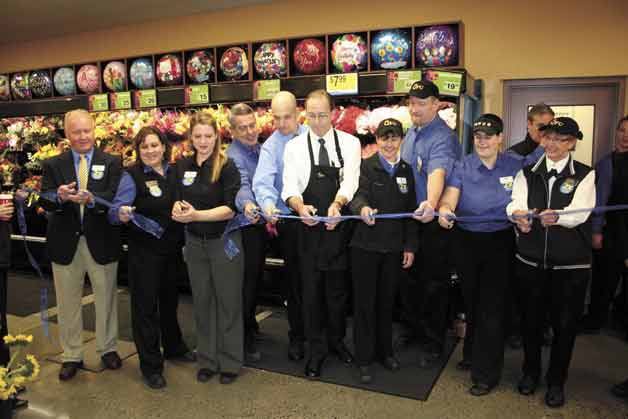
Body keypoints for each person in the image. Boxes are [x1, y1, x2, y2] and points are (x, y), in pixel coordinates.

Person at [437, 114, 544, 396]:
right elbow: (450, 197)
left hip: (500, 241)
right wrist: (446, 210)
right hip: (467, 241)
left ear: (500, 139)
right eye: (477, 136)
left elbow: (544, 168)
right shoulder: (463, 165)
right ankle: (472, 352)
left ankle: (485, 374)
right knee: (473, 301)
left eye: (488, 136)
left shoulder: (516, 164)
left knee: (491, 308)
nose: (482, 141)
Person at [507, 117, 595, 408]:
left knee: (564, 326)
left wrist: (557, 216)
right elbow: (514, 201)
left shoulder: (585, 174)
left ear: (572, 143)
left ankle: (557, 381)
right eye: (548, 138)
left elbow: (580, 212)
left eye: (560, 139)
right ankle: (530, 372)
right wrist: (518, 214)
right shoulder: (527, 172)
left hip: (570, 268)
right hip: (530, 262)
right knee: (530, 323)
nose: (552, 144)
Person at [282, 89, 361, 379]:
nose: (316, 122)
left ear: (333, 113)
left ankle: (337, 341)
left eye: (322, 115)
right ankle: (316, 351)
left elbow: (351, 180)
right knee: (311, 292)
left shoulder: (351, 144)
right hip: (309, 230)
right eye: (311, 115)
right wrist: (299, 206)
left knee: (338, 293)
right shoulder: (294, 147)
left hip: (338, 228)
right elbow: (289, 185)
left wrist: (338, 205)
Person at [40, 109, 123, 381]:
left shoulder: (112, 162)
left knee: (106, 299)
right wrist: (60, 197)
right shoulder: (53, 164)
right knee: (67, 303)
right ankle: (71, 354)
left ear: (94, 130)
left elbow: (113, 196)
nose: (83, 136)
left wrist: (92, 200)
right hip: (65, 244)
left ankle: (108, 348)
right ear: (67, 134)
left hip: (102, 241)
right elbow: (45, 199)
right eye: (76, 132)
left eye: (87, 130)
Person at [109, 127, 194, 389]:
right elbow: (115, 210)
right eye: (144, 146)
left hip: (171, 250)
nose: (150, 151)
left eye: (154, 145)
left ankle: (174, 346)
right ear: (138, 149)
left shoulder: (174, 171)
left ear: (164, 146)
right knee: (145, 308)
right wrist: (120, 214)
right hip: (144, 252)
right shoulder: (131, 176)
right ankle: (151, 365)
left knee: (169, 302)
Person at [171, 113, 244, 385]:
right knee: (202, 303)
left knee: (228, 303)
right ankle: (207, 359)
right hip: (194, 244)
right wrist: (178, 209)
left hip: (223, 243)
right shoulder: (182, 165)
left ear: (217, 137)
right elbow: (177, 199)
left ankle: (230, 362)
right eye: (198, 136)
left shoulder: (227, 166)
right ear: (191, 137)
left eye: (208, 136)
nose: (203, 142)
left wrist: (196, 216)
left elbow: (229, 209)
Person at [349, 118, 417, 384]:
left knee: (387, 303)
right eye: (384, 138)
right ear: (376, 140)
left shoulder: (407, 171)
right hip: (364, 247)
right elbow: (356, 196)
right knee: (364, 305)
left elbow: (411, 211)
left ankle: (385, 353)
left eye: (394, 138)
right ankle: (363, 359)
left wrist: (410, 246)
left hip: (393, 248)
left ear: (401, 140)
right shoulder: (365, 167)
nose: (389, 143)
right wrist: (362, 208)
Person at [399, 80, 461, 362]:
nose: (415, 108)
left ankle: (434, 339)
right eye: (412, 103)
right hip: (411, 218)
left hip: (433, 220)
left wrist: (431, 203)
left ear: (437, 105)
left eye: (422, 103)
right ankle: (413, 329)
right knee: (410, 279)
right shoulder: (412, 132)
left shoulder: (443, 137)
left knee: (434, 283)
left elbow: (437, 172)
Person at [252, 91, 307, 361]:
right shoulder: (271, 146)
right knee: (296, 284)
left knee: (324, 282)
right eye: (277, 118)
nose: (282, 124)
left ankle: (328, 337)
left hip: (322, 221)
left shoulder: (313, 135)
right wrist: (268, 205)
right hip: (291, 223)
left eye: (287, 117)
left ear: (298, 114)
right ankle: (298, 337)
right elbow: (262, 182)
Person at [506, 103, 555, 349]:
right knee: (521, 284)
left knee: (546, 283)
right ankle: (517, 330)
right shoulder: (515, 154)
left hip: (549, 227)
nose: (547, 133)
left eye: (550, 127)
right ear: (529, 124)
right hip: (520, 227)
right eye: (541, 127)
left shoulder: (555, 152)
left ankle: (543, 328)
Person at [226, 103, 266, 363]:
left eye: (252, 125)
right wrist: (249, 204)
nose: (250, 131)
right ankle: (242, 337)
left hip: (258, 227)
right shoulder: (233, 156)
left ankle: (249, 323)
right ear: (232, 131)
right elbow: (242, 186)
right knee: (244, 284)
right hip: (242, 228)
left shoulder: (261, 149)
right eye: (243, 128)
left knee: (254, 280)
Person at [583, 116, 628, 333]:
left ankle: (621, 319)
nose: (626, 135)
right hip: (611, 231)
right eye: (622, 130)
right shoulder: (606, 163)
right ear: (616, 132)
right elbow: (599, 200)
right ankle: (595, 320)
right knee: (604, 280)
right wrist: (596, 231)